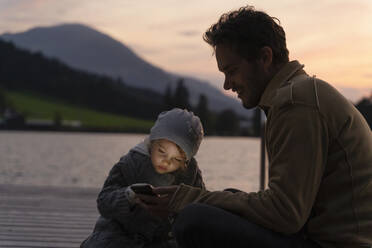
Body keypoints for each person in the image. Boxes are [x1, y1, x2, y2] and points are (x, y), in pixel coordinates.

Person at [136, 6, 372, 248]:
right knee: (223, 200)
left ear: (265, 58)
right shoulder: (301, 94)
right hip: (315, 236)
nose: (227, 85)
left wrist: (188, 199)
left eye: (232, 71)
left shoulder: (296, 105)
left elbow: (285, 214)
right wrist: (195, 198)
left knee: (194, 219)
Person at [80, 108, 205, 248]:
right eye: (162, 152)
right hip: (120, 232)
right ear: (152, 142)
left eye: (176, 159)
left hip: (161, 239)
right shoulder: (131, 164)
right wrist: (127, 196)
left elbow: (200, 207)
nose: (166, 161)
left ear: (187, 160)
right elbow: (104, 201)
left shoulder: (191, 174)